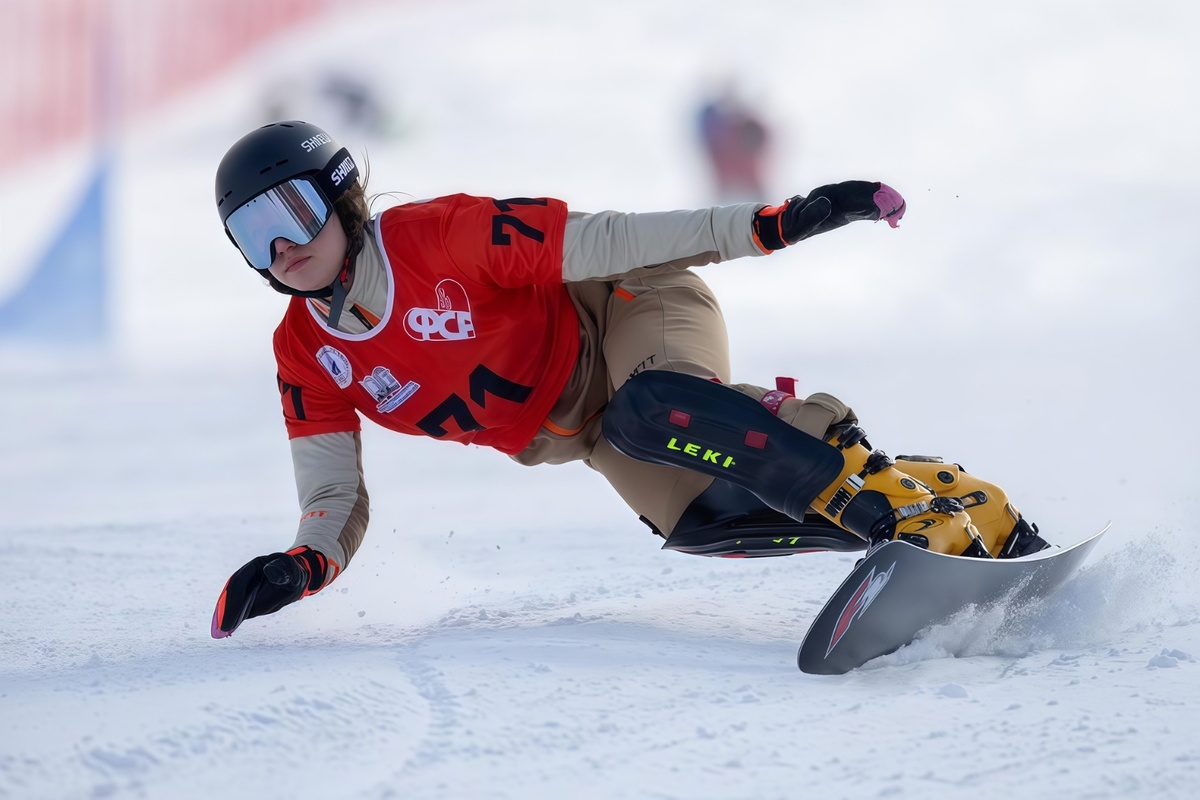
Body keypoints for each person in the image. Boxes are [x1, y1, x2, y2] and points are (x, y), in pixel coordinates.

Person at [210, 120, 1048, 638]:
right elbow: (333, 496)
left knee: (655, 409)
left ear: (341, 197)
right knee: (702, 521)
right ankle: (928, 513)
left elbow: (616, 240)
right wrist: (301, 566)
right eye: (252, 236)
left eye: (291, 213)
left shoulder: (438, 237)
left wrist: (777, 223)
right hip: (589, 431)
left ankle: (886, 499)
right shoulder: (304, 353)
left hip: (631, 305)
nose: (281, 248)